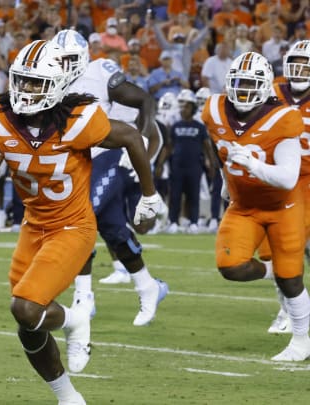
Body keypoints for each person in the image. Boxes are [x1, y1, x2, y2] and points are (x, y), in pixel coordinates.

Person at [0, 40, 165, 404]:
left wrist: (149, 195)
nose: (24, 91)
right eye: (21, 81)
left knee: (26, 307)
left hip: (73, 227)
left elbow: (133, 137)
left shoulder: (79, 119)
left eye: (34, 83)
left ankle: (75, 319)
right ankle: (68, 396)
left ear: (57, 86)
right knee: (28, 324)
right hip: (33, 227)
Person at [52, 29, 168, 332]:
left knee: (81, 218)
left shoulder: (99, 72)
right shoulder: (49, 81)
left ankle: (83, 297)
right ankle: (147, 287)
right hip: (75, 162)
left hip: (106, 154)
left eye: (68, 60)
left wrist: (139, 142)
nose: (63, 66)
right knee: (113, 228)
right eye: (59, 60)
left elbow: (145, 100)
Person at [201, 51, 310, 361]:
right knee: (231, 266)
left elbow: (288, 178)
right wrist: (226, 177)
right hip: (244, 205)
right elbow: (216, 142)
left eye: (250, 84)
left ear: (265, 87)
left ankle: (301, 341)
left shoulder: (283, 118)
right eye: (238, 83)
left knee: (292, 281)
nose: (243, 91)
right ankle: (273, 271)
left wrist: (250, 164)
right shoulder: (214, 109)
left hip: (282, 207)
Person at [261, 40, 310, 335]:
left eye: (306, 64)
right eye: (296, 62)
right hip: (274, 179)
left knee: (287, 246)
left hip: (306, 179)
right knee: (269, 252)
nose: (300, 69)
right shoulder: (272, 91)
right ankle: (290, 305)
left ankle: (291, 311)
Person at [155, 89, 215, 234]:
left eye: (187, 107)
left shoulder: (199, 127)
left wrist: (212, 164)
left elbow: (207, 147)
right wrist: (160, 164)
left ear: (193, 108)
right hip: (177, 167)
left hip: (195, 166)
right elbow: (168, 147)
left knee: (193, 195)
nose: (183, 109)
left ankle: (193, 222)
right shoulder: (176, 126)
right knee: (175, 195)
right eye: (182, 107)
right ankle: (173, 222)